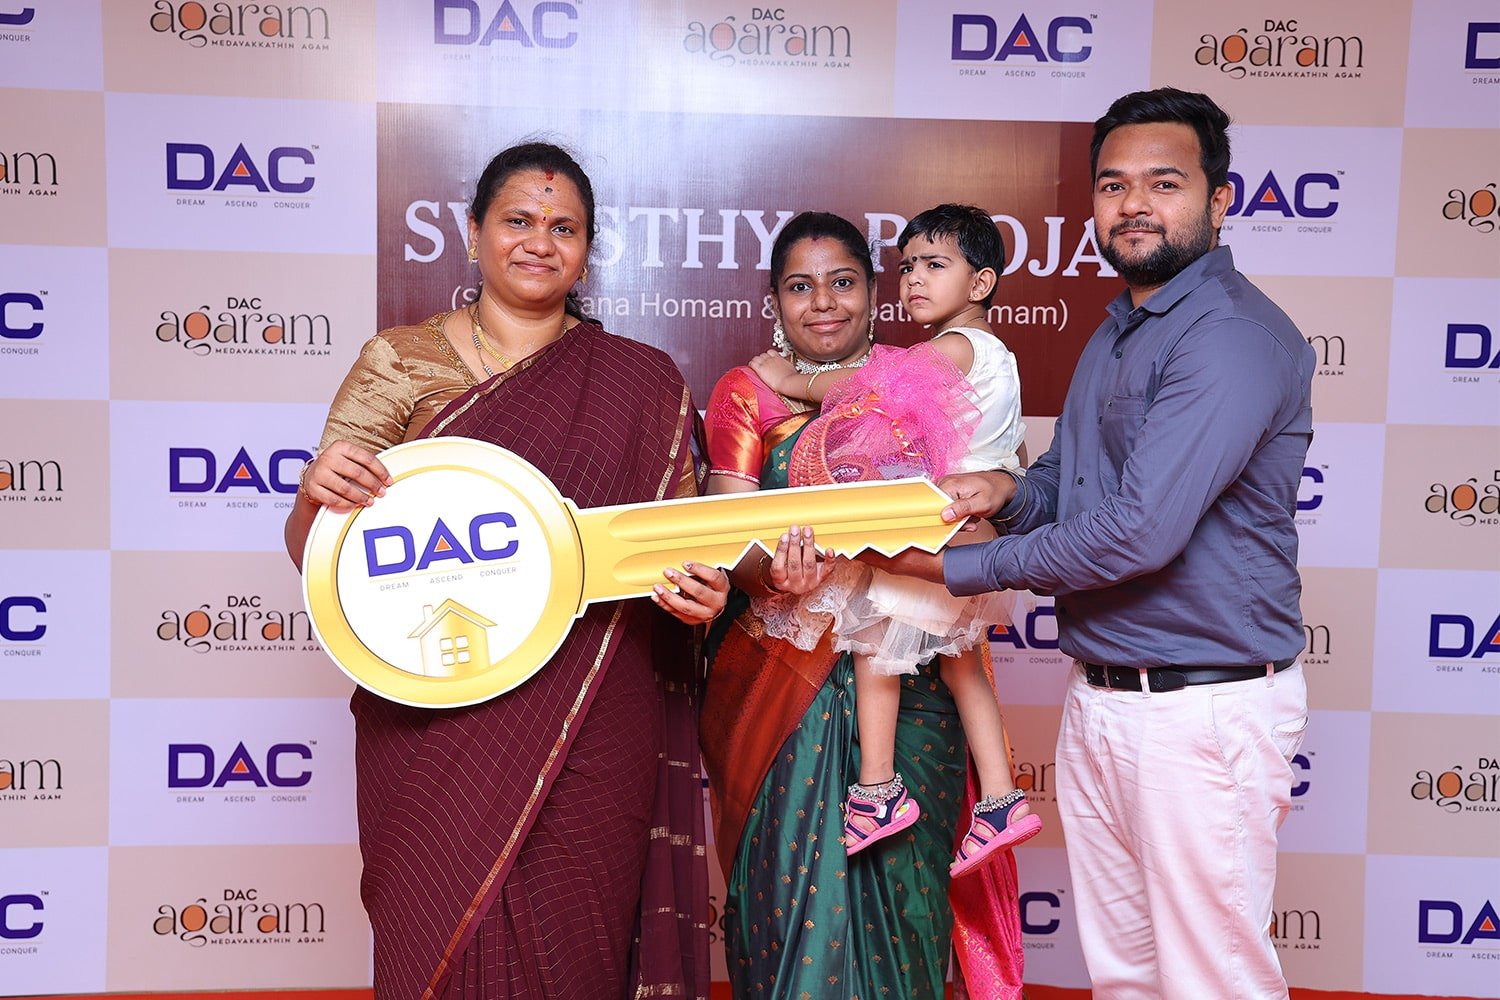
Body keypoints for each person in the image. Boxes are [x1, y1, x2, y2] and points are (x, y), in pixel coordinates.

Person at [871, 89, 1316, 999]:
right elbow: (1068, 482)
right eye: (1114, 185)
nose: (1134, 204)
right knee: (1125, 978)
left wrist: (954, 568)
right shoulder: (1119, 331)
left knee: (1212, 981)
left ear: (1220, 199)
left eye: (1164, 183)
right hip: (1106, 696)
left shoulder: (1229, 337)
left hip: (1200, 710)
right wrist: (1009, 493)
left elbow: (1140, 532)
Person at [282, 142, 725, 1000]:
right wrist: (315, 497)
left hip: (592, 710)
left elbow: (674, 552)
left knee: (575, 941)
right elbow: (316, 554)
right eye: (518, 220)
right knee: (435, 932)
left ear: (588, 249)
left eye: (565, 228)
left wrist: (700, 598)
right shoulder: (399, 362)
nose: (539, 242)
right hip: (431, 707)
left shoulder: (640, 380)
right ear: (473, 231)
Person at [698, 211, 1024, 999]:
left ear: (874, 294)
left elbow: (993, 502)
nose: (822, 303)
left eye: (842, 282)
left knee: (906, 906)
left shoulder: (921, 376)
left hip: (914, 683)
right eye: (799, 287)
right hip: (781, 681)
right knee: (787, 913)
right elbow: (724, 535)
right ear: (774, 301)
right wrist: (775, 576)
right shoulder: (745, 392)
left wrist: (991, 501)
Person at [744, 204, 1041, 876]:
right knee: (962, 665)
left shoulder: (957, 347)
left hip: (937, 526)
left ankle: (877, 791)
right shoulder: (994, 355)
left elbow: (871, 385)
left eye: (935, 265)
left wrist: (791, 382)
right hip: (967, 534)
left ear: (981, 282)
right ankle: (1001, 799)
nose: (915, 280)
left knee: (872, 640)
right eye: (908, 267)